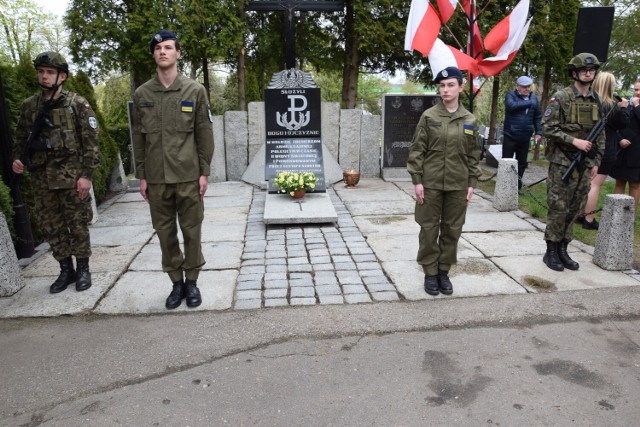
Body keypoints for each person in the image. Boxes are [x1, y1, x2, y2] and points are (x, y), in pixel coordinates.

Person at [132, 30, 214, 310]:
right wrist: (141, 175)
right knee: (165, 233)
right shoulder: (142, 94)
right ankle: (175, 283)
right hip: (156, 179)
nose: (162, 51)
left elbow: (204, 133)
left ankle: (192, 281)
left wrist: (204, 172)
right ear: (154, 55)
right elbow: (139, 138)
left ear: (178, 54)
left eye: (168, 47)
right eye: (158, 48)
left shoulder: (194, 91)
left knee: (192, 231)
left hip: (188, 176)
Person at [12, 52, 100, 293]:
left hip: (72, 178)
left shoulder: (77, 105)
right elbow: (20, 138)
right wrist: (17, 159)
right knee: (52, 226)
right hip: (41, 179)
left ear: (62, 76)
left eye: (49, 72)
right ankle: (65, 270)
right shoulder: (29, 106)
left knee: (77, 224)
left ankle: (83, 269)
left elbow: (92, 144)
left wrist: (86, 176)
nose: (44, 76)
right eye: (41, 71)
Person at [407, 66, 481, 296]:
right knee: (428, 229)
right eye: (442, 85)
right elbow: (417, 149)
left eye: (450, 85)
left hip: (458, 184)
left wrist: (472, 183)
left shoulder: (470, 120)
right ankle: (430, 272)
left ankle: (443, 271)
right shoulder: (429, 117)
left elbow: (473, 154)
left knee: (452, 230)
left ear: (461, 87)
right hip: (430, 183)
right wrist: (417, 180)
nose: (445, 90)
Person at [541, 52, 605, 272]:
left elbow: (600, 133)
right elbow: (548, 127)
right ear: (575, 73)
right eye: (584, 70)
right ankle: (551, 250)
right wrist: (574, 141)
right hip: (562, 162)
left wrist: (596, 160)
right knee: (558, 206)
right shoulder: (562, 97)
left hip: (585, 164)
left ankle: (563, 249)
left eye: (591, 70)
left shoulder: (595, 100)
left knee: (575, 207)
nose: (588, 73)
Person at [578, 71, 630, 229]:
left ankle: (581, 214)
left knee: (586, 182)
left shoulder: (589, 101)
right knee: (595, 184)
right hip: (605, 149)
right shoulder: (612, 105)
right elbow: (623, 124)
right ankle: (589, 219)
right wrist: (624, 108)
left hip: (588, 146)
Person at [502, 75, 542, 189]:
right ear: (517, 86)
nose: (527, 89)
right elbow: (512, 106)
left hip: (525, 136)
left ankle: (516, 187)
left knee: (522, 163)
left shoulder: (534, 99)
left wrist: (538, 132)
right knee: (506, 162)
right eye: (524, 87)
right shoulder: (510, 95)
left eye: (529, 86)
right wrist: (529, 103)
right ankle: (504, 186)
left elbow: (537, 117)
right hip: (510, 135)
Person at [610, 79, 640, 212]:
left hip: (637, 152)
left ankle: (629, 217)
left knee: (634, 184)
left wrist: (638, 107)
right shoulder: (625, 104)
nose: (637, 92)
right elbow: (614, 124)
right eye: (636, 89)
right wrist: (619, 140)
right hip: (622, 150)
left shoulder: (636, 106)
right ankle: (616, 214)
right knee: (620, 181)